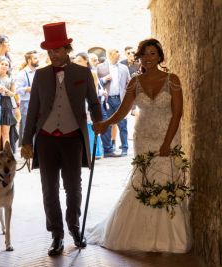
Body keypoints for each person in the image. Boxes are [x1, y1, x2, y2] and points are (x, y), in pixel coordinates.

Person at [87, 38, 191, 253]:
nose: (149, 58)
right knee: (143, 179)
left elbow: (178, 113)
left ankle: (168, 238)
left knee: (165, 177)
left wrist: (167, 142)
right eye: (145, 54)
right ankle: (140, 236)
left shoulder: (172, 80)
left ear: (160, 56)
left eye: (153, 54)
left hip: (167, 135)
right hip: (143, 136)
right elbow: (123, 110)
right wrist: (105, 124)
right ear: (139, 57)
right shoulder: (135, 82)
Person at [20, 22, 102, 257]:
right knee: (49, 188)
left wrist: (99, 121)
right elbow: (33, 109)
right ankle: (56, 234)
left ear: (67, 48)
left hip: (72, 138)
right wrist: (27, 141)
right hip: (45, 138)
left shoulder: (83, 73)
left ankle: (74, 228)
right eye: (49, 51)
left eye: (57, 50)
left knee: (73, 187)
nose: (53, 55)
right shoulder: (40, 75)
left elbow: (94, 103)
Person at [96, 49, 130, 157]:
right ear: (110, 55)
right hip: (106, 100)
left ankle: (124, 147)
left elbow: (128, 83)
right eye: (117, 53)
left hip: (120, 99)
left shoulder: (124, 68)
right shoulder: (100, 67)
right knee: (107, 124)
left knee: (122, 124)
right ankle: (108, 149)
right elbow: (95, 82)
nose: (119, 55)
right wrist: (104, 79)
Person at [74, 52, 104, 159]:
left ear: (86, 61)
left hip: (88, 103)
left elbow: (94, 91)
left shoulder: (92, 73)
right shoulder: (75, 74)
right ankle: (84, 151)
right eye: (75, 61)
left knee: (90, 127)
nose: (76, 63)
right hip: (79, 103)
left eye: (79, 61)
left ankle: (94, 152)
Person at [15, 50, 39, 147]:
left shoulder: (37, 72)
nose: (38, 60)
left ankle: (35, 151)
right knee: (27, 127)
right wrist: (27, 89)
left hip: (37, 103)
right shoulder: (22, 73)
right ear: (29, 60)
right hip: (26, 103)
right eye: (35, 58)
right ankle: (27, 151)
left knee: (37, 127)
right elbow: (17, 90)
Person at [0, 57, 18, 153]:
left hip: (7, 104)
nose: (4, 66)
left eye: (6, 65)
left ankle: (7, 157)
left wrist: (5, 90)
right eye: (2, 64)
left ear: (8, 68)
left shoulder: (11, 79)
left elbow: (13, 94)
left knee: (6, 134)